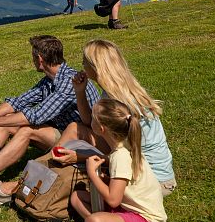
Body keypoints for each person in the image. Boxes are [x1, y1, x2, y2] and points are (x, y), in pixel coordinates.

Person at [0, 35, 100, 202]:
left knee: (27, 129)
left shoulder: (67, 81)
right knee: (8, 120)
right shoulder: (49, 80)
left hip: (82, 139)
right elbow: (18, 102)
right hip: (64, 130)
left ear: (39, 59)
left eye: (32, 56)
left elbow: (37, 116)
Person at [51, 39, 176, 195]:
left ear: (96, 67)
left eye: (85, 62)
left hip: (151, 181)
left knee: (82, 192)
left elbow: (123, 156)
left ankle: (44, 174)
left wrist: (79, 157)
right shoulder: (117, 91)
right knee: (74, 128)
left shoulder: (120, 102)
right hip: (151, 172)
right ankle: (46, 169)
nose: (82, 65)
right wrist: (79, 92)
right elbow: (90, 122)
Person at [70, 98, 166, 222]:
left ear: (101, 129)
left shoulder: (119, 156)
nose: (90, 119)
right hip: (128, 207)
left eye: (93, 118)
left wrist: (92, 174)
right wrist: (106, 179)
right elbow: (126, 183)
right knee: (77, 197)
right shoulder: (125, 145)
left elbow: (113, 200)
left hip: (147, 221)